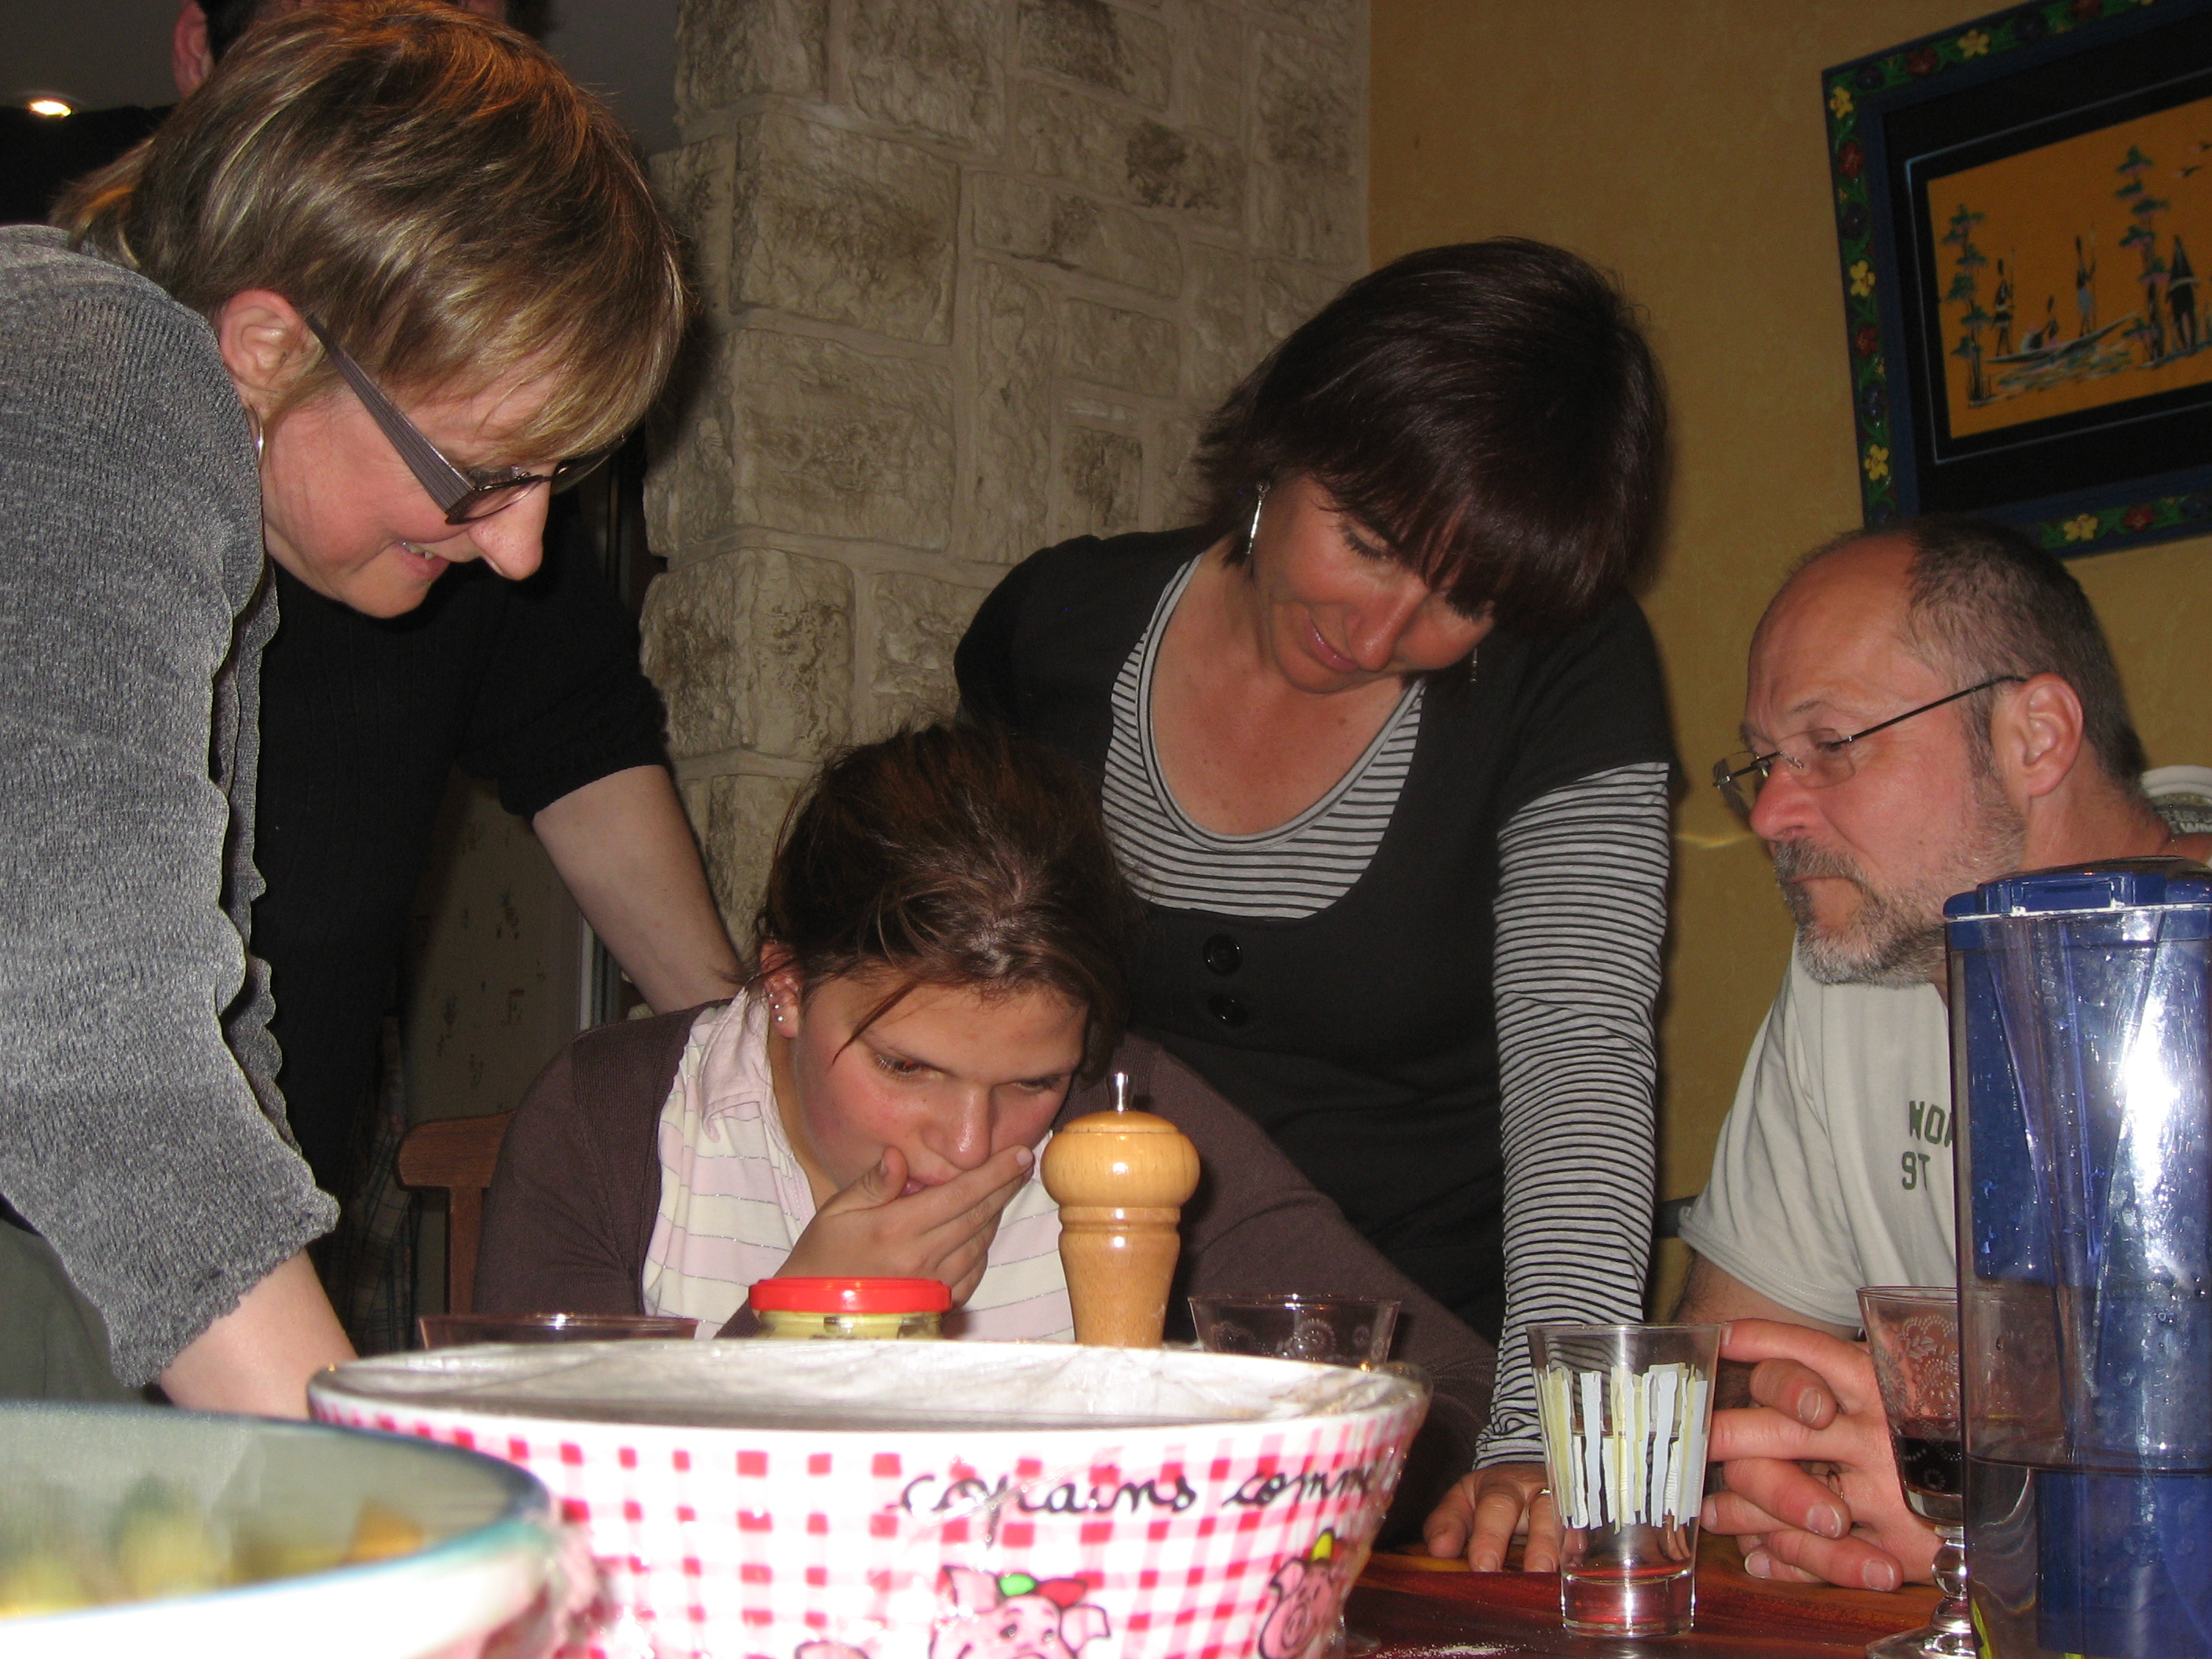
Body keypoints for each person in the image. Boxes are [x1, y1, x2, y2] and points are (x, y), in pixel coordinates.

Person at [0, 0, 684, 1414]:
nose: (519, 550)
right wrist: (370, 1487)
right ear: (267, 347)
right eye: (485, 475)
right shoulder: (96, 380)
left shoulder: (179, 454)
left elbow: (218, 1014)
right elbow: (79, 1031)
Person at [954, 240, 1674, 1569]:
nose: (1382, 633)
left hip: (1429, 1391)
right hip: (1085, 1365)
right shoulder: (1057, 628)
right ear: (1283, 441)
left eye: (1464, 600)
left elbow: (1579, 1059)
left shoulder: (1569, 672)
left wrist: (1549, 1438)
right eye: (1369, 544)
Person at [475, 723, 1499, 1528]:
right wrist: (795, 1329)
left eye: (1032, 1080)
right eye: (906, 1067)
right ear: (786, 984)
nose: (971, 1144)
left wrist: (1259, 1470)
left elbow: (1446, 1380)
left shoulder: (1128, 1124)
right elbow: (523, 1511)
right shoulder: (611, 1122)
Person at [1676, 515, 2210, 1590]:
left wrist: (2000, 1531)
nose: (1771, 813)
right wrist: (1811, 1466)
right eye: (1766, 762)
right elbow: (1724, 1366)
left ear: (2036, 738)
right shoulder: (1851, 975)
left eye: (1833, 745)